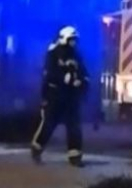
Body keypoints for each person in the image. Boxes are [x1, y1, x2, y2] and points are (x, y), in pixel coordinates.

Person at [31, 26, 89, 167]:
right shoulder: (53, 53)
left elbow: (83, 72)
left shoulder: (77, 55)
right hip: (55, 95)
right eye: (71, 40)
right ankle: (36, 148)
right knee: (49, 124)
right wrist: (64, 78)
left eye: (75, 40)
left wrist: (81, 81)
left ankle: (75, 157)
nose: (74, 43)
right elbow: (50, 73)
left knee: (74, 126)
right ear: (64, 39)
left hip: (71, 96)